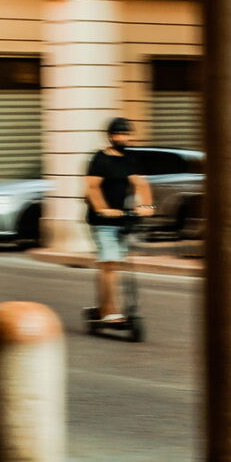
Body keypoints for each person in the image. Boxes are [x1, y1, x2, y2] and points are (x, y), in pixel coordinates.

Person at [85, 118, 152, 322]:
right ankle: (108, 311)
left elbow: (140, 184)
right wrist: (103, 209)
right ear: (110, 136)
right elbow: (91, 188)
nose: (122, 138)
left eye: (125, 134)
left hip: (123, 221)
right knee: (110, 263)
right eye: (118, 134)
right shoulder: (100, 159)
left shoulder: (130, 158)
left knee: (111, 265)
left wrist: (147, 206)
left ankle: (103, 306)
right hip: (102, 221)